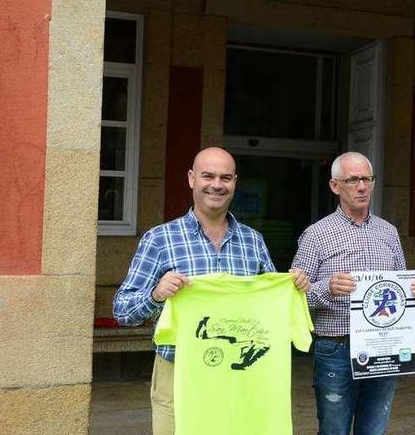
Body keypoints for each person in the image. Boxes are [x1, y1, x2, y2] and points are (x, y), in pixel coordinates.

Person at [112, 147, 309, 435]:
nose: (217, 184)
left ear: (235, 183)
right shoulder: (160, 238)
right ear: (192, 179)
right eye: (208, 176)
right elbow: (122, 310)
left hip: (241, 373)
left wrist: (295, 287)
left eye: (225, 178)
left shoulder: (252, 241)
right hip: (179, 370)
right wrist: (156, 294)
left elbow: (270, 304)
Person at [292, 151, 415, 435]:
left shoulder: (389, 232)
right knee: (334, 430)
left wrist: (412, 291)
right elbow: (295, 297)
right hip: (336, 348)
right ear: (335, 186)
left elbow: (398, 284)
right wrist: (326, 287)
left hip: (383, 345)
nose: (362, 186)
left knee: (374, 429)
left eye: (367, 179)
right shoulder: (316, 234)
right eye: (353, 180)